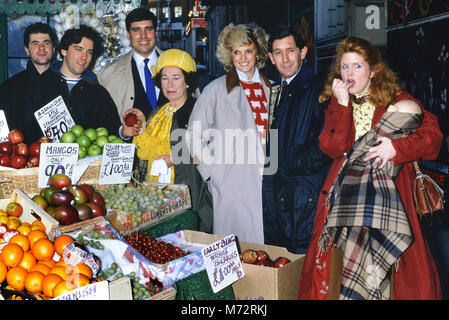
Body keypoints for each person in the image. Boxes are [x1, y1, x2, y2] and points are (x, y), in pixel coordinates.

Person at [298, 37, 443, 300]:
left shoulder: (397, 100)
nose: (349, 73)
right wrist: (342, 105)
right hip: (345, 202)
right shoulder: (338, 101)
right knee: (338, 276)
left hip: (391, 204)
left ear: (373, 70)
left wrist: (398, 150)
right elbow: (333, 147)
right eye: (344, 67)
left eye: (357, 66)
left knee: (401, 280)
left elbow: (433, 138)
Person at [186, 23, 270, 244]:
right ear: (229, 55)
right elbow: (194, 135)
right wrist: (214, 173)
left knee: (265, 251)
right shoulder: (215, 89)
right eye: (236, 52)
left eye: (249, 50)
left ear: (258, 52)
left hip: (268, 181)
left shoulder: (272, 88)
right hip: (232, 184)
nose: (243, 58)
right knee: (234, 251)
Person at [122, 49, 213, 233]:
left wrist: (175, 158)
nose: (169, 84)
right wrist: (141, 126)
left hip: (188, 194)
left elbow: (210, 149)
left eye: (176, 77)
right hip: (155, 195)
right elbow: (145, 152)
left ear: (187, 81)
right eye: (164, 78)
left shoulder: (198, 111)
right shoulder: (157, 113)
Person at [262, 27, 332, 254]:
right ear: (271, 58)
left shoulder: (317, 88)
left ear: (303, 52)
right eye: (278, 52)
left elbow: (325, 141)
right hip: (280, 192)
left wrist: (292, 166)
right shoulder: (277, 89)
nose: (285, 59)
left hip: (304, 193)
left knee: (303, 258)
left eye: (290, 51)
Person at [49, 25, 122, 139]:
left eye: (89, 52)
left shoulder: (99, 93)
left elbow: (112, 133)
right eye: (78, 49)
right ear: (64, 51)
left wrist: (124, 133)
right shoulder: (42, 84)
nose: (84, 57)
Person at [98, 8, 166, 120]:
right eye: (136, 30)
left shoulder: (178, 65)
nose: (143, 36)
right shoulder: (109, 74)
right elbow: (103, 118)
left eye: (148, 29)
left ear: (156, 33)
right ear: (128, 35)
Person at [0, 22, 60, 143]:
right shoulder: (7, 88)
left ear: (53, 49)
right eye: (35, 43)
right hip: (20, 158)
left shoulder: (64, 85)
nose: (41, 48)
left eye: (46, 43)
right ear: (27, 50)